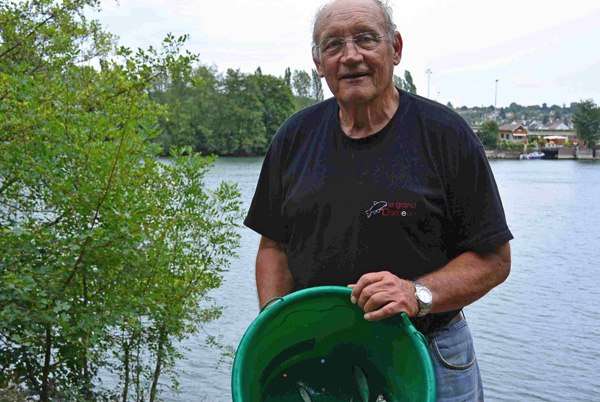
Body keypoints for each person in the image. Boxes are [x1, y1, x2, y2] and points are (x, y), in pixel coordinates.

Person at [244, 0, 513, 400]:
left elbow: (494, 260)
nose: (351, 56)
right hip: (322, 353)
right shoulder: (294, 136)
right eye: (333, 45)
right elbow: (273, 248)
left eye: (366, 39)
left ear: (396, 49)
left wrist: (416, 293)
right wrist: (275, 320)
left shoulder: (445, 135)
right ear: (318, 63)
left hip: (429, 351)